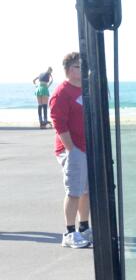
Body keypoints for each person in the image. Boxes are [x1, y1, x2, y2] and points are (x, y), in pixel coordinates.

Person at [49, 52, 91, 249]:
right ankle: (69, 232)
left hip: (86, 147)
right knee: (74, 191)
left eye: (82, 66)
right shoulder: (61, 93)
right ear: (67, 70)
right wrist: (71, 149)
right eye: (76, 66)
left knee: (86, 191)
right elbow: (59, 124)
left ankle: (84, 227)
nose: (81, 70)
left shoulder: (84, 89)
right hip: (72, 149)